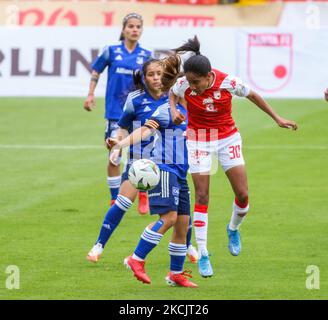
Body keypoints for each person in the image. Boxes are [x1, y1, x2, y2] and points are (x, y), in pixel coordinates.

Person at [162, 36, 298, 278]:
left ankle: (233, 228)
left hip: (227, 138)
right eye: (190, 82)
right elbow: (173, 93)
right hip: (198, 139)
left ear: (208, 76)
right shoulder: (184, 84)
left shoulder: (228, 82)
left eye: (196, 82)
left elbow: (253, 95)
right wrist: (174, 110)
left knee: (243, 194)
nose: (192, 87)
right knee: (202, 194)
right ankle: (203, 253)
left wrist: (277, 118)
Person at [87, 59, 198, 265]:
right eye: (151, 74)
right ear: (144, 77)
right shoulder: (135, 99)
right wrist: (117, 145)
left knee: (181, 206)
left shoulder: (174, 98)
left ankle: (188, 245)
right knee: (123, 202)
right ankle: (99, 245)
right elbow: (122, 127)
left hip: (168, 161)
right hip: (139, 161)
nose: (156, 78)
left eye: (159, 74)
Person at [110, 100, 198, 288]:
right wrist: (120, 145)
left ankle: (175, 274)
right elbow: (145, 130)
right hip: (166, 168)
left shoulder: (195, 108)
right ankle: (137, 258)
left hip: (181, 173)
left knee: (183, 225)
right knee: (169, 218)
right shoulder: (166, 110)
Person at [83, 13, 152, 214]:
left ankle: (143, 193)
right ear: (123, 29)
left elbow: (151, 82)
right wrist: (90, 94)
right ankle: (115, 199)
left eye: (138, 26)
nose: (134, 30)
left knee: (141, 155)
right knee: (114, 155)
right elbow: (96, 72)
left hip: (138, 112)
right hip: (115, 112)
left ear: (141, 30)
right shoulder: (110, 51)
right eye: (130, 26)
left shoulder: (146, 55)